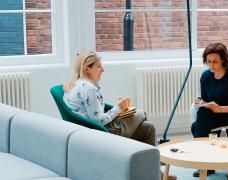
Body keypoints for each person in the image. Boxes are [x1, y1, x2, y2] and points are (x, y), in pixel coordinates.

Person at [63, 51, 176, 180]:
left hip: (92, 131)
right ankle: (155, 160)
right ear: (87, 69)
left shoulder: (75, 84)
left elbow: (92, 112)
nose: (103, 70)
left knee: (148, 127)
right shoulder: (89, 89)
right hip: (104, 133)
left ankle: (157, 173)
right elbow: (98, 120)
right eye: (98, 67)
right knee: (140, 113)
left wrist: (117, 109)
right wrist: (118, 108)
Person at [191, 43, 228, 177]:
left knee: (196, 128)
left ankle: (205, 164)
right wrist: (202, 103)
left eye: (215, 61)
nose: (211, 65)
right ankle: (207, 164)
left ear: (223, 60)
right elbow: (206, 100)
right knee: (198, 121)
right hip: (215, 115)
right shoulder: (206, 76)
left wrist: (220, 109)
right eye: (208, 61)